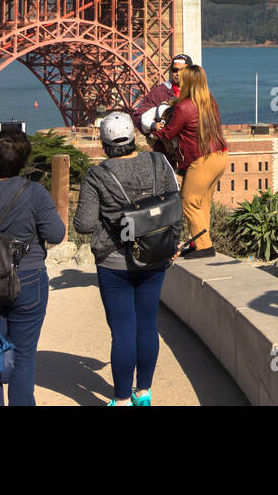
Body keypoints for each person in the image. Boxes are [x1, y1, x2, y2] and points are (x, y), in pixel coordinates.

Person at [74, 112, 180, 405]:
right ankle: (143, 393)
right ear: (134, 137)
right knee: (147, 324)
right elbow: (174, 207)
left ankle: (121, 400)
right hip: (155, 255)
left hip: (114, 262)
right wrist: (174, 242)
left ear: (104, 143)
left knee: (123, 330)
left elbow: (83, 224)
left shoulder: (98, 175)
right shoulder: (159, 162)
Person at [0, 127, 65, 405]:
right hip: (27, 278)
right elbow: (55, 234)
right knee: (23, 357)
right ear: (22, 161)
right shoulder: (35, 193)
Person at [152, 66, 227, 256]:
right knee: (203, 203)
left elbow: (168, 134)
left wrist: (154, 129)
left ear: (189, 83)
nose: (178, 82)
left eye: (182, 79)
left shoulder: (184, 107)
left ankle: (204, 247)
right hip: (220, 155)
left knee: (188, 201)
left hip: (201, 159)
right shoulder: (211, 102)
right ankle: (201, 241)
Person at [131, 53, 192, 135]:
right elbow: (138, 117)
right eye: (175, 70)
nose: (178, 73)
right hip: (164, 145)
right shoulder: (159, 92)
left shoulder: (197, 91)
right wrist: (156, 132)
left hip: (190, 144)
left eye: (183, 70)